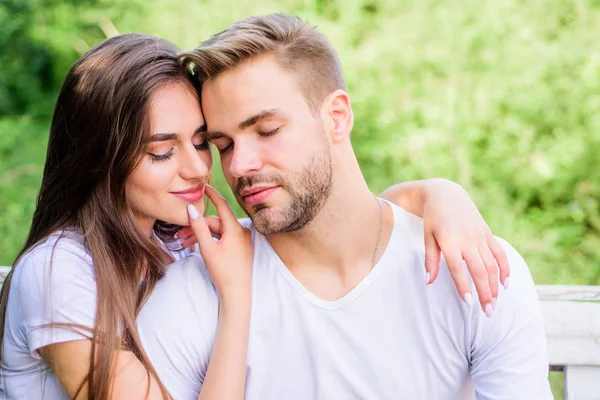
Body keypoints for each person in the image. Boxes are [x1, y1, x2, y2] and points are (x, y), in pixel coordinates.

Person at [0, 32, 508, 399]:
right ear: (98, 158)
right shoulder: (57, 272)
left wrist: (437, 194)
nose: (199, 168)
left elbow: (348, 216)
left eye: (203, 143)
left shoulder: (171, 239)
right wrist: (237, 296)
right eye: (161, 152)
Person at [137, 14, 552, 399]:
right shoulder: (196, 289)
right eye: (223, 145)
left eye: (267, 130)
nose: (238, 165)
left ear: (336, 117)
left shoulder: (472, 268)